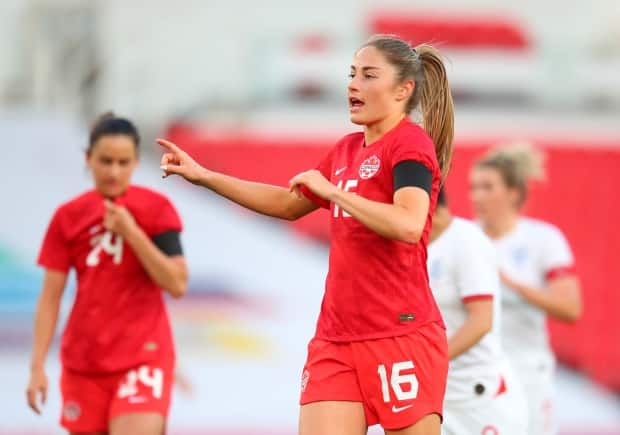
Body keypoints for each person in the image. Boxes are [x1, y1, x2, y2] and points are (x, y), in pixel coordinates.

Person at [158, 34, 454, 435]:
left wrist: (333, 193)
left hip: (401, 334)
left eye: (369, 75)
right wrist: (205, 176)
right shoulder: (346, 149)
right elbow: (286, 204)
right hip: (336, 340)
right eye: (352, 74)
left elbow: (408, 224)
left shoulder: (410, 145)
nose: (353, 84)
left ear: (404, 89)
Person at [26, 113, 188, 435]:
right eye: (105, 161)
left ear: (136, 162)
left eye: (123, 162)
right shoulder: (67, 217)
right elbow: (50, 298)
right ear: (88, 159)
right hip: (85, 362)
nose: (114, 171)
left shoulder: (156, 209)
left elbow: (177, 282)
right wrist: (37, 367)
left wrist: (133, 233)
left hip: (143, 356)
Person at [470, 142, 582, 435]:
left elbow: (570, 308)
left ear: (513, 192)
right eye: (474, 187)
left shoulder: (542, 239)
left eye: (487, 187)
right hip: (476, 373)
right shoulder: (465, 240)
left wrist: (509, 283)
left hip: (527, 370)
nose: (477, 196)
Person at [427, 189, 527, 435]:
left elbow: (481, 321)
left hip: (479, 396)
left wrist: (429, 362)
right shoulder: (413, 247)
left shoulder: (466, 241)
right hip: (440, 396)